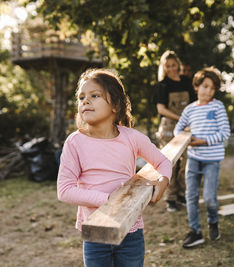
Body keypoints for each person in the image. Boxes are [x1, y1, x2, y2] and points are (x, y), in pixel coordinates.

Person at [57, 68, 172, 267]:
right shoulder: (74, 142)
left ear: (115, 105)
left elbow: (163, 162)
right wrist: (108, 200)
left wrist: (164, 180)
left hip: (131, 232)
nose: (85, 101)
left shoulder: (131, 137)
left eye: (95, 95)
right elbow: (65, 191)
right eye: (81, 97)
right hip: (95, 234)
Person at [174, 67, 230, 248]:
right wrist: (184, 139)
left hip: (212, 160)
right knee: (191, 197)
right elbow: (178, 128)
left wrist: (203, 141)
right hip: (194, 159)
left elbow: (224, 133)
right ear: (197, 86)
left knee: (209, 198)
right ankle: (195, 232)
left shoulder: (217, 106)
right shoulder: (190, 109)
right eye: (205, 86)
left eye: (212, 88)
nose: (208, 91)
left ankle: (213, 221)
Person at [154, 50, 196, 212]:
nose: (171, 69)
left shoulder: (186, 82)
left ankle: (182, 195)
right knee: (170, 163)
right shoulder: (162, 85)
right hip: (169, 129)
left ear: (178, 65)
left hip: (186, 128)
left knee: (185, 162)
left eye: (174, 65)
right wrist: (181, 118)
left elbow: (194, 104)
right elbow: (161, 109)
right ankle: (170, 198)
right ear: (164, 67)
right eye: (168, 66)